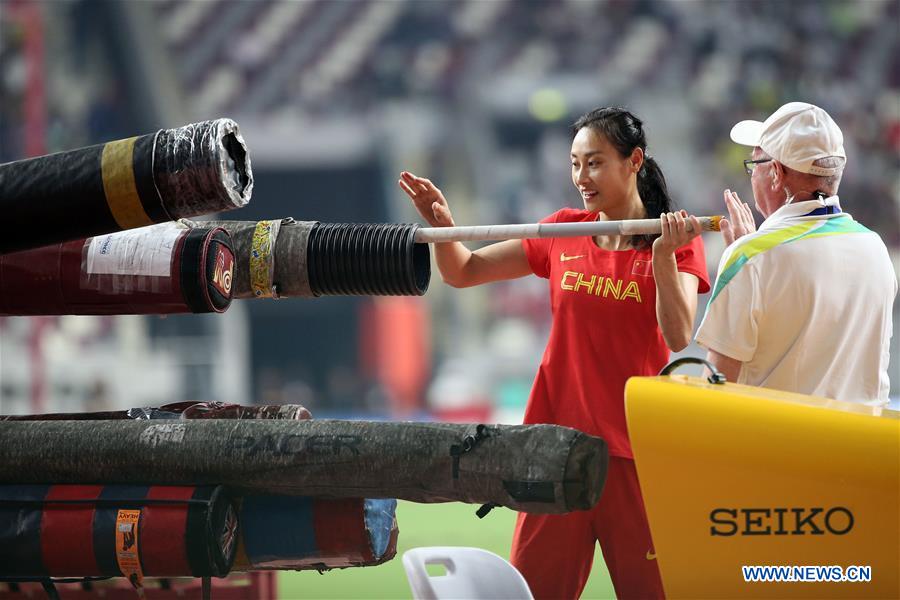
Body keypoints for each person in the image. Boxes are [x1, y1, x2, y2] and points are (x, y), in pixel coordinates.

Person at [399, 107, 710, 599]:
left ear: (634, 161)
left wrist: (664, 257)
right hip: (551, 452)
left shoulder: (677, 244)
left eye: (595, 162)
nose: (581, 177)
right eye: (575, 163)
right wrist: (445, 226)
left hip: (635, 457)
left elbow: (677, 334)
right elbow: (464, 271)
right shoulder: (563, 230)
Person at [696, 102, 897, 405]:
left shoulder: (752, 257)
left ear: (776, 173)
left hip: (775, 448)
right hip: (859, 449)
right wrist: (751, 254)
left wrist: (745, 257)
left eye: (755, 165)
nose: (752, 177)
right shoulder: (876, 249)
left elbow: (714, 391)